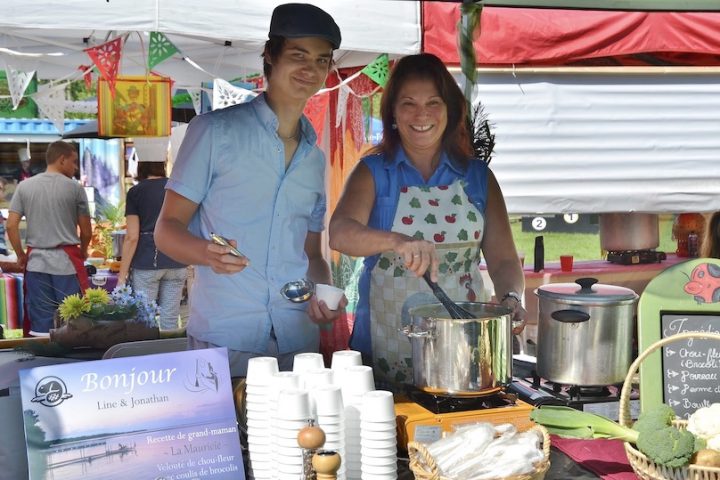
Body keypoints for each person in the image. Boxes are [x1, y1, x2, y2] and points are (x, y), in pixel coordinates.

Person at [154, 3, 346, 377]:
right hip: (227, 338)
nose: (311, 69)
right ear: (270, 55)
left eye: (322, 60)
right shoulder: (214, 132)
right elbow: (166, 230)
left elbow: (311, 253)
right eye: (298, 55)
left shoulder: (315, 159)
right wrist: (206, 254)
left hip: (298, 342)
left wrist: (324, 293)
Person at [328, 53, 527, 385]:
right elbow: (340, 233)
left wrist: (512, 298)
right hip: (383, 345)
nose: (421, 115)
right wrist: (397, 241)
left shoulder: (478, 177)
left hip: (464, 348)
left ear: (450, 111)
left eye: (433, 103)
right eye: (408, 103)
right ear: (392, 113)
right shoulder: (374, 171)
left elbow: (504, 259)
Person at [6, 140, 91, 336]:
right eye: (74, 161)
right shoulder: (75, 189)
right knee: (71, 322)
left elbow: (11, 225)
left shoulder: (25, 187)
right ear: (62, 160)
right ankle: (70, 365)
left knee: (41, 324)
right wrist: (84, 250)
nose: (75, 167)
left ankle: (42, 363)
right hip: (67, 265)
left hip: (36, 264)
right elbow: (86, 231)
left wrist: (20, 255)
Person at [117, 153, 188, 330]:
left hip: (147, 262)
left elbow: (132, 237)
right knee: (170, 320)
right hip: (177, 261)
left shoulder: (136, 192)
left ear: (141, 166)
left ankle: (148, 356)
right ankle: (170, 356)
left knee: (145, 321)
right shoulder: (178, 189)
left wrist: (121, 276)